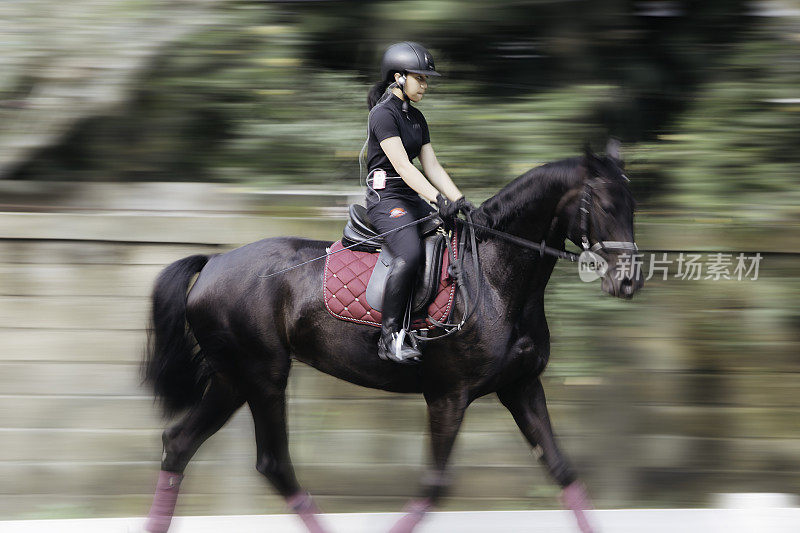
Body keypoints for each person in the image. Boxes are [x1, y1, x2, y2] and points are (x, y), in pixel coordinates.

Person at [363, 41, 473, 364]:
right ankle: (391, 338)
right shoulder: (382, 115)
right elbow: (404, 167)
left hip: (412, 197)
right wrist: (438, 199)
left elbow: (433, 167)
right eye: (420, 78)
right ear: (398, 78)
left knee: (457, 230)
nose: (425, 85)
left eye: (426, 79)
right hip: (386, 199)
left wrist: (461, 202)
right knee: (409, 252)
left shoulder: (417, 118)